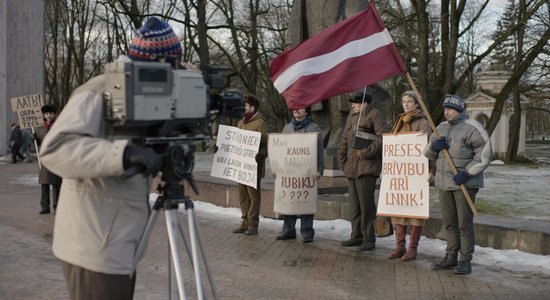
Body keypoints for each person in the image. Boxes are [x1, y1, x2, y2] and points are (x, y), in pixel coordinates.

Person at [39, 17, 181, 299]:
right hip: (94, 246)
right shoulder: (99, 90)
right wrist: (124, 155)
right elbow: (55, 149)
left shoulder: (150, 98)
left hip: (118, 244)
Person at [424, 94, 492, 275]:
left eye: (451, 109)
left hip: (464, 184)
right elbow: (427, 152)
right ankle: (450, 256)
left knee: (464, 224)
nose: (446, 112)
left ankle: (465, 260)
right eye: (445, 109)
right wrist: (434, 147)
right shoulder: (441, 128)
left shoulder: (473, 128)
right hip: (444, 183)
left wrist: (467, 173)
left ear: (460, 110)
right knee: (449, 223)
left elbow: (485, 153)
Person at [337, 91, 389, 251]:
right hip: (352, 168)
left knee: (366, 206)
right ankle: (356, 236)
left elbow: (384, 137)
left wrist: (368, 152)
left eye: (356, 103)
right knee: (355, 206)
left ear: (364, 103)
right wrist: (342, 160)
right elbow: (345, 138)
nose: (352, 105)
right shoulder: (352, 116)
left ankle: (369, 238)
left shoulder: (375, 115)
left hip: (367, 167)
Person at [388, 91, 433, 260]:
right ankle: (399, 246)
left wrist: (431, 170)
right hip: (400, 173)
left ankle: (412, 248)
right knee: (399, 208)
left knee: (415, 212)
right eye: (404, 101)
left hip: (416, 174)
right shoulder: (399, 121)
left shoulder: (423, 122)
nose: (406, 104)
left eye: (409, 101)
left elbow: (429, 148)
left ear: (416, 104)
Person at [274, 107, 324, 243]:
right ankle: (288, 230)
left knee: (305, 201)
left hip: (307, 172)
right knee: (289, 201)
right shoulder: (287, 128)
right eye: (294, 108)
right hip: (290, 172)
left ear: (306, 111)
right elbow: (280, 151)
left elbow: (319, 151)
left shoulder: (315, 129)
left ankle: (307, 232)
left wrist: (319, 169)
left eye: (300, 108)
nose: (296, 110)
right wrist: (276, 168)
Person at [232, 94, 268, 236]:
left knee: (254, 196)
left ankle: (253, 223)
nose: (243, 108)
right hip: (241, 166)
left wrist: (261, 155)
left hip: (253, 167)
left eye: (245, 105)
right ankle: (244, 221)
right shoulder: (240, 123)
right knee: (243, 196)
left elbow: (265, 145)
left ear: (253, 107)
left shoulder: (260, 124)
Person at [34, 104, 62, 214]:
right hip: (44, 160)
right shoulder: (40, 128)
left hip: (55, 158)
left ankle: (57, 206)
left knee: (56, 184)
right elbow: (38, 144)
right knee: (45, 184)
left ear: (54, 114)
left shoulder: (58, 126)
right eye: (47, 114)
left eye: (50, 113)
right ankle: (45, 207)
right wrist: (35, 140)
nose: (49, 116)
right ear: (44, 115)